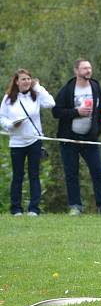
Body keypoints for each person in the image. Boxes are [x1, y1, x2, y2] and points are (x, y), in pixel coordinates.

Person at [52, 59, 101, 215]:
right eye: (84, 68)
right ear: (76, 71)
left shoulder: (96, 88)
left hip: (90, 138)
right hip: (69, 139)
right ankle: (75, 206)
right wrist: (76, 112)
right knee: (71, 173)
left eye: (90, 68)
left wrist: (99, 129)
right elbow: (56, 112)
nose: (88, 71)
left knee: (98, 171)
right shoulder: (67, 90)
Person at [0, 69, 55, 216]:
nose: (26, 82)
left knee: (34, 175)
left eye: (28, 79)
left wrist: (38, 87)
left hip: (34, 140)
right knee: (18, 176)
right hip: (17, 142)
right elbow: (2, 118)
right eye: (23, 79)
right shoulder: (8, 99)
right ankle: (16, 209)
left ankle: (33, 209)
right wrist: (11, 125)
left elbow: (51, 103)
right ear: (16, 82)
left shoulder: (35, 95)